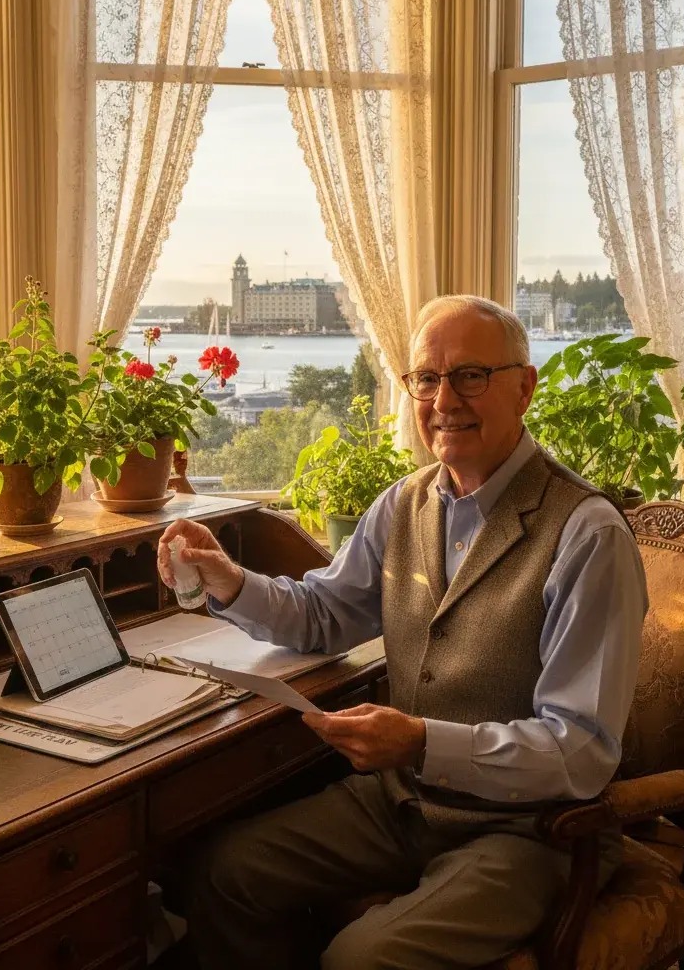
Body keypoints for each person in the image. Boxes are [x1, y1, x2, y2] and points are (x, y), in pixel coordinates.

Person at [158, 296, 648, 970]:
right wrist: (229, 581)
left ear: (525, 388)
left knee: (362, 959)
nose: (444, 399)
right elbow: (324, 614)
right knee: (223, 872)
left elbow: (580, 752)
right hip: (403, 803)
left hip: (530, 832)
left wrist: (421, 742)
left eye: (471, 375)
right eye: (426, 378)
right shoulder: (404, 503)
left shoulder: (588, 534)